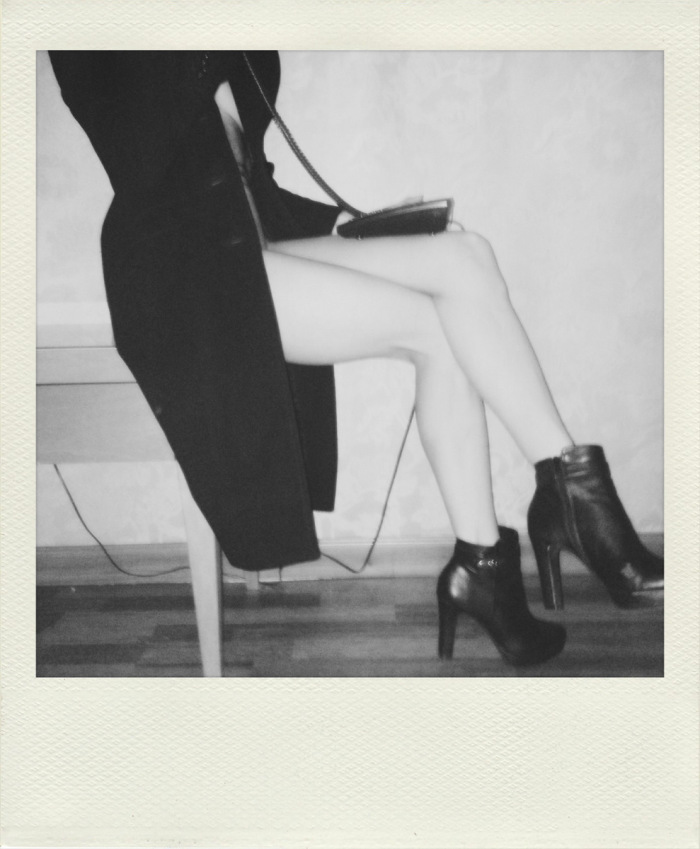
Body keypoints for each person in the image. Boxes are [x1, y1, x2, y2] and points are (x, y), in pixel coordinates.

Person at [48, 50, 663, 668]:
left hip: (252, 241)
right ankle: (570, 516)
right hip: (179, 267)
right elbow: (152, 153)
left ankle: (511, 537)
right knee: (435, 324)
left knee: (464, 256)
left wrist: (350, 224)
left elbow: (247, 180)